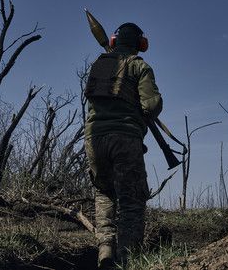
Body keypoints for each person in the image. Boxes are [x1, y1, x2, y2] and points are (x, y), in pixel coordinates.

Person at [84, 22, 163, 269]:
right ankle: (128, 259)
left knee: (104, 192)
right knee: (131, 199)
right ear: (140, 44)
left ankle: (105, 250)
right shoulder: (140, 66)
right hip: (125, 139)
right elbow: (151, 106)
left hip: (94, 139)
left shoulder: (99, 64)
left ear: (114, 41)